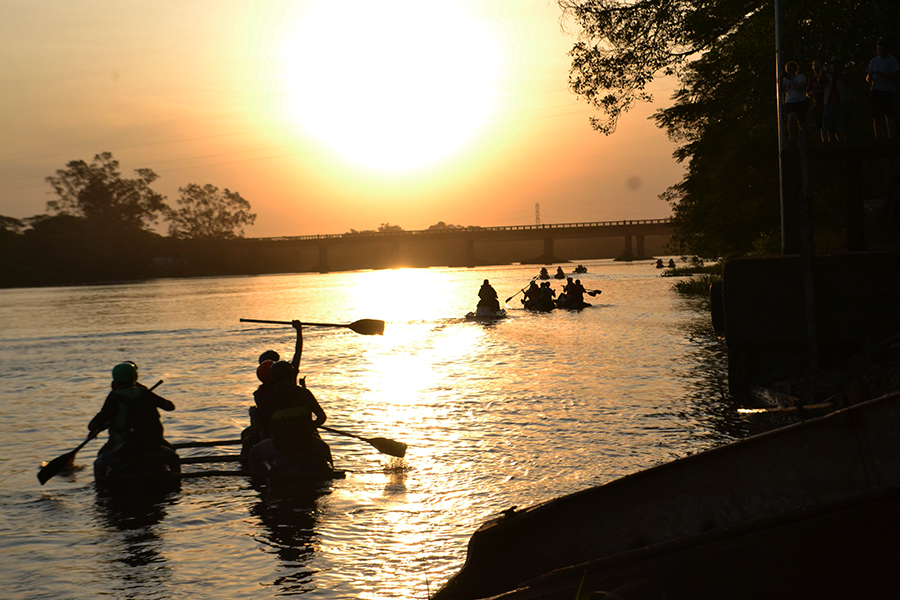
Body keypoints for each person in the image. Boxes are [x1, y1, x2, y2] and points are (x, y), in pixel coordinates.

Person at [250, 359, 333, 470]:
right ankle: (332, 470)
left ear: (273, 378)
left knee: (254, 452)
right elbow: (322, 417)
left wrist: (253, 416)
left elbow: (258, 427)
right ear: (291, 375)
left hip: (280, 446)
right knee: (325, 448)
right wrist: (310, 426)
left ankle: (256, 479)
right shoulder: (304, 393)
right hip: (307, 443)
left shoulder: (270, 399)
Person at [88, 362, 175, 456]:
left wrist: (99, 427)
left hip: (125, 445)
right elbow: (170, 407)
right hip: (153, 443)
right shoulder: (145, 393)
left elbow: (94, 423)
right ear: (134, 377)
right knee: (172, 454)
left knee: (100, 459)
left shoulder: (114, 398)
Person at [244, 320, 304, 454]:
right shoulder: (290, 377)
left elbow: (261, 424)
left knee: (248, 441)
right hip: (296, 430)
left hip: (275, 435)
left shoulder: (261, 395)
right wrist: (299, 331)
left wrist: (253, 416)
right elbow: (298, 352)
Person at [866, 40, 900, 139]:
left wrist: (884, 75)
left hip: (888, 90)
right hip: (876, 90)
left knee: (889, 115)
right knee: (876, 115)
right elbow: (867, 77)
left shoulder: (892, 60)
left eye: (882, 48)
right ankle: (879, 138)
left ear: (887, 49)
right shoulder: (874, 61)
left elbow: (897, 76)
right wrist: (869, 77)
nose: (880, 50)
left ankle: (891, 137)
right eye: (879, 49)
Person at [822, 56, 851, 143]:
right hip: (830, 102)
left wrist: (834, 74)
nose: (835, 66)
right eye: (833, 64)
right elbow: (820, 81)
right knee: (829, 125)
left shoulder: (845, 74)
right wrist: (822, 73)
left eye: (837, 64)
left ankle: (845, 142)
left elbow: (847, 80)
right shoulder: (828, 76)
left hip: (842, 102)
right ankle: (832, 143)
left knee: (843, 124)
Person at [781, 61, 808, 140]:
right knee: (791, 117)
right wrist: (781, 80)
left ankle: (802, 138)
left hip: (800, 101)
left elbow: (800, 89)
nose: (789, 72)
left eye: (791, 69)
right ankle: (791, 136)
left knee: (802, 122)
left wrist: (791, 80)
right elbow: (781, 90)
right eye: (788, 70)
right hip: (790, 102)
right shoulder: (785, 80)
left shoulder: (800, 77)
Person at [806, 61, 828, 141]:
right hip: (818, 104)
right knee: (821, 125)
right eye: (814, 66)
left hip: (828, 103)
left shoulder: (827, 78)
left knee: (830, 124)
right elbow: (808, 93)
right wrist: (813, 92)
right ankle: (825, 142)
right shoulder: (812, 80)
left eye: (817, 66)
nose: (816, 68)